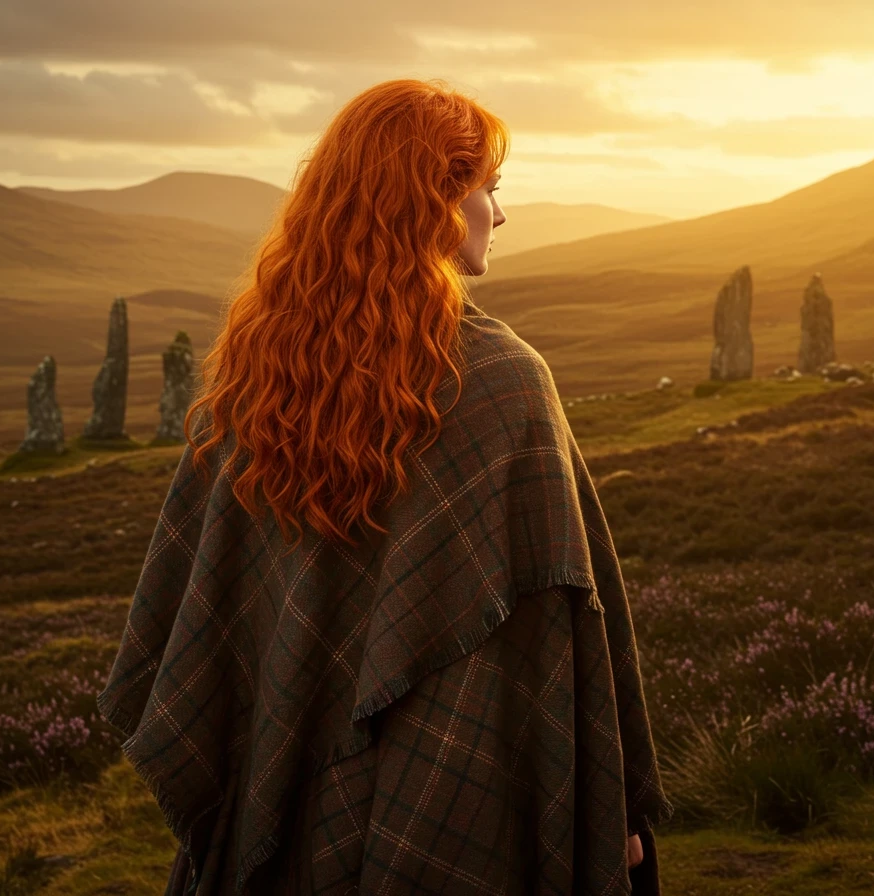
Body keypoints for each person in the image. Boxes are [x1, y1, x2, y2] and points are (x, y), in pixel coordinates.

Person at [97, 77, 673, 895]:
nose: (501, 216)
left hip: (288, 797)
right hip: (462, 804)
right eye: (490, 191)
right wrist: (594, 806)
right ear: (433, 201)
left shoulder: (255, 378)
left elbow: (221, 619)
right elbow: (559, 620)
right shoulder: (503, 381)